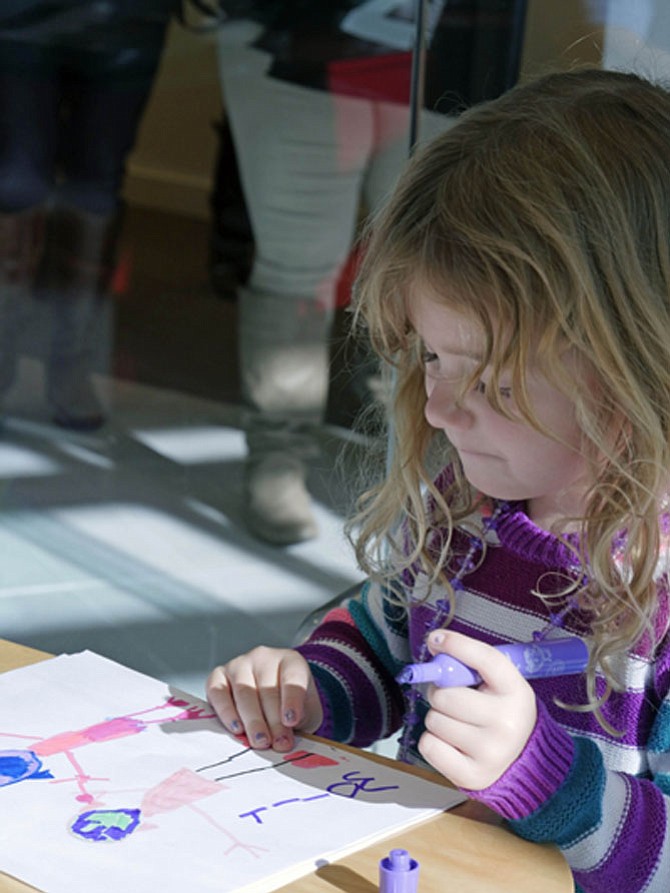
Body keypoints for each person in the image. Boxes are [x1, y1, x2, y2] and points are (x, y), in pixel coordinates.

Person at [206, 67, 670, 892]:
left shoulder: (656, 596)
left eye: (489, 380)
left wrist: (550, 782)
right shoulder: (464, 518)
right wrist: (307, 685)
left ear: (631, 366)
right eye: (430, 356)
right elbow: (388, 645)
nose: (440, 407)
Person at [215, 1, 524, 545]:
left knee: (433, 265)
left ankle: (418, 452)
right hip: (303, 46)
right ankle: (277, 455)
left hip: (449, 47)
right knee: (296, 265)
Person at [0, 1, 179, 429]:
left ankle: (70, 362)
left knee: (96, 185)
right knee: (18, 178)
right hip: (19, 15)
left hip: (128, 19)